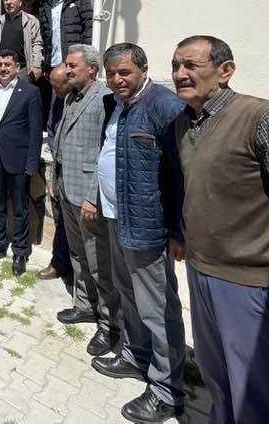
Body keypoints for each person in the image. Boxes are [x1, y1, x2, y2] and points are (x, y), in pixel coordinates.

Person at [171, 35, 269, 423]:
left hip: (250, 284)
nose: (179, 74)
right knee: (218, 377)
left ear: (225, 71)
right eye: (175, 65)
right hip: (202, 271)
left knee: (257, 393)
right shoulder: (184, 123)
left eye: (191, 65)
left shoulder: (265, 118)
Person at [91, 43, 186, 424]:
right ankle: (135, 355)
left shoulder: (164, 107)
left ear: (144, 69)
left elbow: (181, 175)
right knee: (128, 292)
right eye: (112, 73)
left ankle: (167, 390)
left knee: (157, 307)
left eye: (125, 73)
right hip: (116, 217)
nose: (117, 80)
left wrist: (178, 229)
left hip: (148, 226)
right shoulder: (115, 105)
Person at [51, 45, 119, 357]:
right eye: (67, 65)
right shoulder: (71, 97)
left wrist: (94, 195)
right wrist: (54, 179)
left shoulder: (104, 98)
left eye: (72, 65)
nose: (67, 70)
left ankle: (109, 324)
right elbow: (63, 141)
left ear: (92, 68)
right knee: (78, 253)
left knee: (98, 260)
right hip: (66, 187)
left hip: (88, 195)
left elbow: (105, 150)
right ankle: (85, 305)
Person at [0, 49, 43, 275]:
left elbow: (35, 131)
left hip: (18, 160)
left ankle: (20, 252)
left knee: (20, 208)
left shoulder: (30, 92)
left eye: (8, 64)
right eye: (0, 64)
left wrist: (32, 163)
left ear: (17, 67)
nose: (3, 68)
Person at [37, 0, 94, 117]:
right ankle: (56, 131)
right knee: (56, 104)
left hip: (74, 61)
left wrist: (85, 58)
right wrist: (44, 64)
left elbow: (89, 29)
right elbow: (44, 35)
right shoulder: (44, 4)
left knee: (76, 101)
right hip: (53, 63)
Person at [37, 64, 72, 284]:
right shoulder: (57, 98)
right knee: (60, 220)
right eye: (52, 86)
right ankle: (59, 263)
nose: (54, 91)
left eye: (57, 87)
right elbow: (51, 128)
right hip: (60, 168)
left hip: (78, 173)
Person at [0, 0, 43, 81]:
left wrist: (37, 65)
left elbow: (36, 44)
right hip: (2, 69)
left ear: (20, 2)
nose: (9, 2)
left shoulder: (31, 20)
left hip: (23, 70)